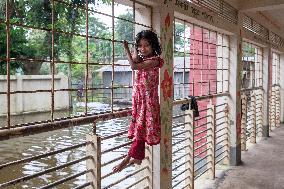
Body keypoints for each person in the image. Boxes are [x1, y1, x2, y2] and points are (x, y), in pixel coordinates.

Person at [113, 30, 164, 173]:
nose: (143, 49)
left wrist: (126, 49)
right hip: (140, 100)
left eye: (146, 45)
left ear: (153, 45)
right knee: (140, 130)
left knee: (140, 130)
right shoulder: (144, 58)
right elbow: (136, 60)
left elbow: (134, 66)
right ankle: (138, 157)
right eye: (140, 46)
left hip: (148, 101)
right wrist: (134, 49)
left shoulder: (155, 60)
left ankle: (126, 160)